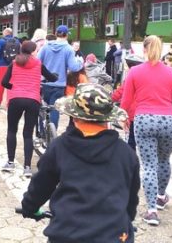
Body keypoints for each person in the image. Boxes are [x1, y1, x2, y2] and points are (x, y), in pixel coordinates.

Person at [20, 83, 139, 243]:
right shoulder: (126, 153)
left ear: (74, 117)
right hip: (113, 236)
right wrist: (127, 217)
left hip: (67, 234)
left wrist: (29, 207)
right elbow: (131, 197)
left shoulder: (60, 147)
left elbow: (41, 185)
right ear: (107, 119)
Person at [120, 35, 172, 226]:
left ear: (144, 49)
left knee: (149, 165)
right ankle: (161, 196)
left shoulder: (135, 72)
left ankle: (151, 211)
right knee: (164, 160)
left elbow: (126, 100)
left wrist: (124, 117)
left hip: (144, 119)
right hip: (168, 121)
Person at [1, 41, 57, 176]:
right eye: (36, 50)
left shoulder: (14, 63)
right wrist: (56, 76)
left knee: (12, 130)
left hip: (15, 99)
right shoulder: (38, 64)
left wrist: (14, 88)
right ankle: (27, 167)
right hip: (32, 100)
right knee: (28, 133)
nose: (37, 52)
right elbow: (51, 78)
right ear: (32, 51)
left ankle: (10, 162)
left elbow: (4, 82)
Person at [37, 25, 83, 128]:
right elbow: (74, 67)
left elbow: (37, 61)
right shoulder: (68, 49)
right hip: (59, 85)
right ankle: (52, 133)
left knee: (43, 108)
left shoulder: (46, 47)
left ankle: (41, 131)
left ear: (56, 34)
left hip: (45, 83)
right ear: (66, 35)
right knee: (55, 109)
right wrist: (80, 62)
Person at [0, 28, 20, 109]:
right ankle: (10, 103)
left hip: (2, 65)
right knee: (12, 84)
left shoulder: (1, 41)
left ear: (5, 33)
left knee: (1, 84)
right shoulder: (17, 41)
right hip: (14, 65)